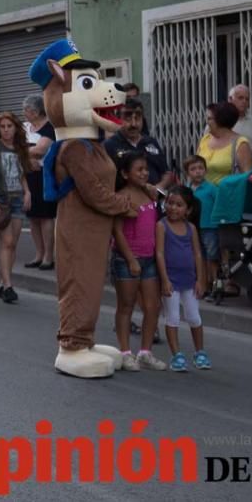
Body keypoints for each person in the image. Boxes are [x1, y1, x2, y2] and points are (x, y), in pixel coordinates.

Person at [111, 152, 166, 371]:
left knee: (153, 306)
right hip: (127, 259)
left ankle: (145, 351)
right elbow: (117, 230)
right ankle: (125, 352)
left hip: (150, 258)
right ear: (125, 174)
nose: (144, 173)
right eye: (139, 170)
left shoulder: (151, 194)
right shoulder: (122, 197)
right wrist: (131, 259)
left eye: (146, 169)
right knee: (126, 306)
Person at [156, 186, 210, 372]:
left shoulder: (191, 228)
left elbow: (197, 254)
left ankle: (200, 352)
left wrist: (200, 279)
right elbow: (160, 253)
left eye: (179, 205)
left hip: (189, 280)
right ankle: (176, 355)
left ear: (188, 209)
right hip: (171, 280)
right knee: (172, 317)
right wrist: (164, 280)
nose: (173, 208)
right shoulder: (162, 226)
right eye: (170, 203)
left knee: (194, 316)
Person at [0, 112, 31, 303]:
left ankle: (4, 282)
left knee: (13, 244)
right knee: (7, 242)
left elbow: (22, 173)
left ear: (15, 128)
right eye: (2, 127)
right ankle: (8, 286)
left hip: (18, 197)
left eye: (9, 126)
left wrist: (27, 192)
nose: (6, 130)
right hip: (1, 200)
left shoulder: (19, 148)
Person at [104, 98, 174, 190]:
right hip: (126, 201)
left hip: (153, 200)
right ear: (118, 119)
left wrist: (158, 188)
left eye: (137, 118)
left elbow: (166, 173)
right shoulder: (109, 146)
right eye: (128, 119)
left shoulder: (151, 142)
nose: (133, 124)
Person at [21, 94, 56, 270]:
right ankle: (38, 253)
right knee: (33, 216)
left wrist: (24, 152)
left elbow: (41, 149)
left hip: (44, 174)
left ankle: (49, 256)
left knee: (45, 216)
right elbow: (14, 146)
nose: (24, 113)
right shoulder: (25, 127)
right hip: (29, 174)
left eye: (26, 110)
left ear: (35, 111)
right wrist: (28, 157)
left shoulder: (50, 127)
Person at [183, 156, 219, 298]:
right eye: (193, 169)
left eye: (200, 168)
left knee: (212, 256)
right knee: (199, 256)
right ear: (187, 173)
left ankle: (214, 284)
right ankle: (202, 285)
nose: (197, 172)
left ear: (205, 170)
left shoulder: (211, 188)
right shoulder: (187, 190)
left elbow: (218, 205)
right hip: (194, 228)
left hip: (210, 227)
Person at [196, 101, 252, 185]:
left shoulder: (240, 143)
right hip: (202, 195)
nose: (207, 122)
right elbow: (194, 165)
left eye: (209, 119)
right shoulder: (205, 139)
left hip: (226, 195)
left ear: (220, 120)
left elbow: (247, 177)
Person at [229, 84, 252, 160]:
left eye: (247, 99)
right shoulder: (219, 120)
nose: (244, 101)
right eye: (240, 98)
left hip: (250, 168)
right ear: (230, 99)